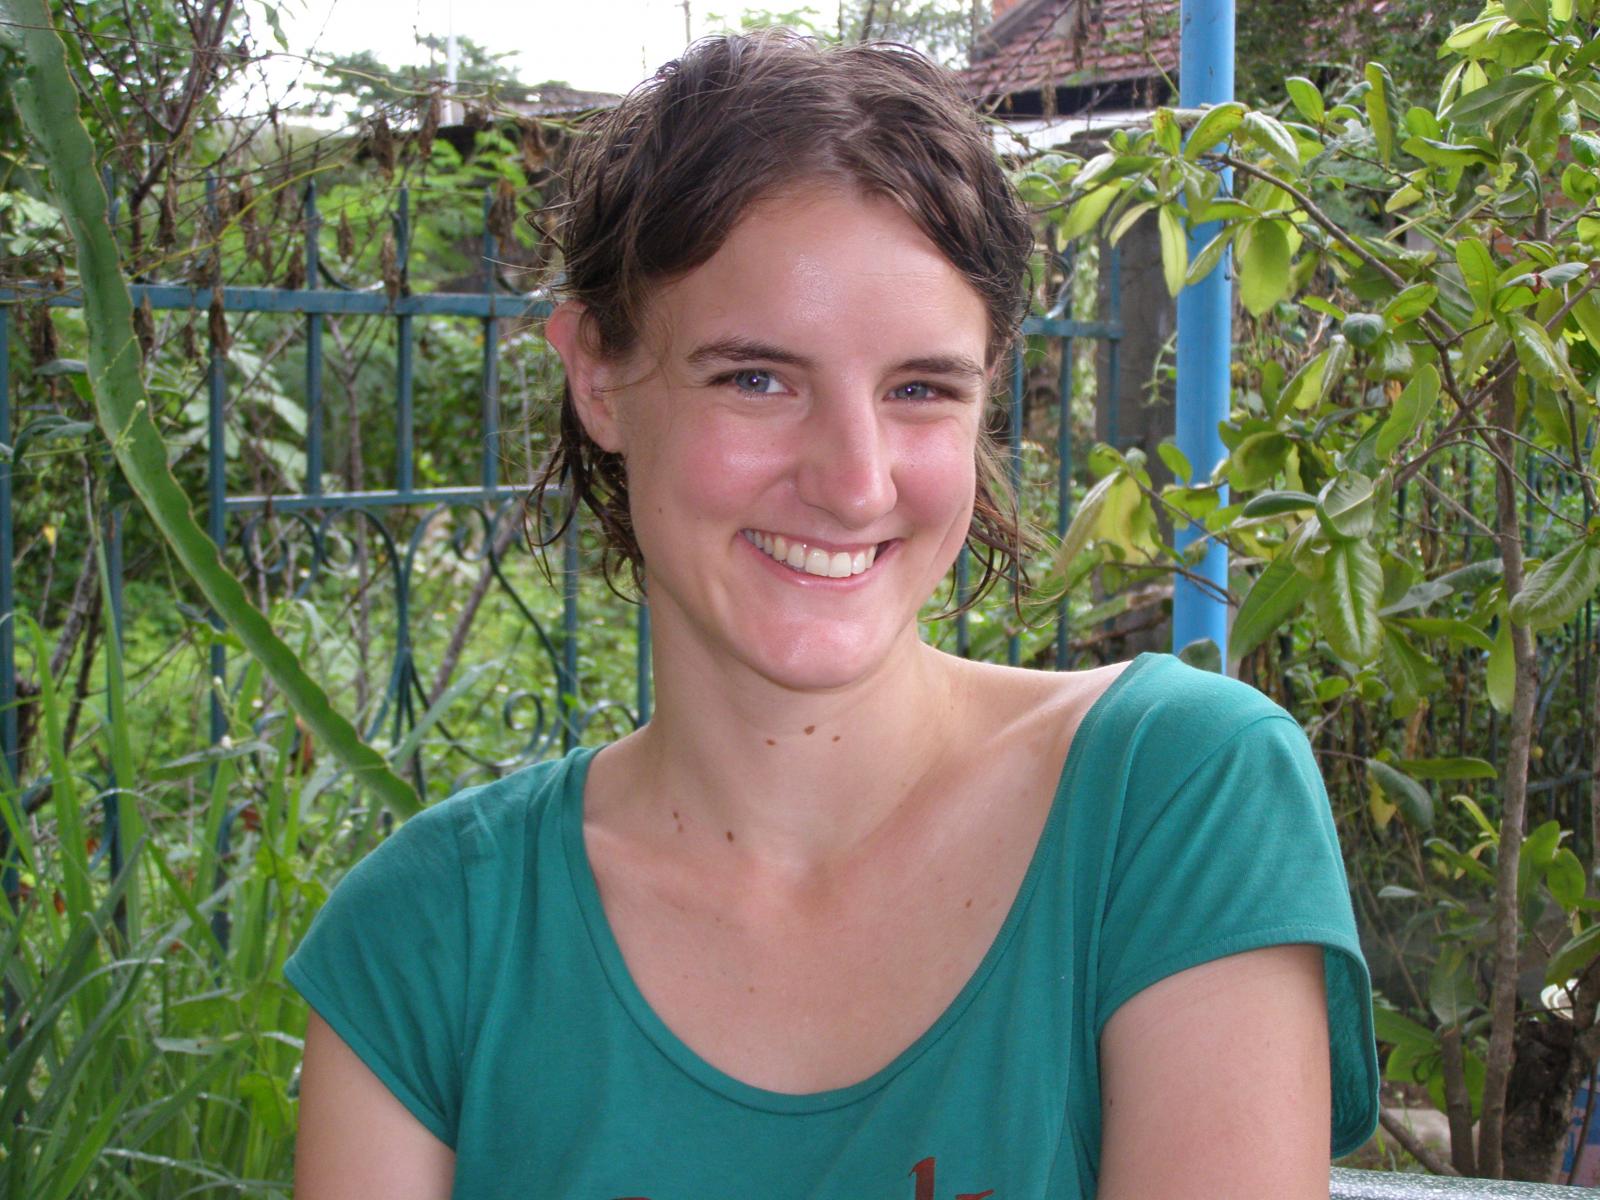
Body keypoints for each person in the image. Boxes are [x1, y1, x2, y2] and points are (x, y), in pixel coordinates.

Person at [285, 31, 1378, 1199]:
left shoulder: (1172, 799)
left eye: (921, 388)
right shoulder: (428, 937)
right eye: (756, 379)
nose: (854, 483)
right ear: (597, 375)